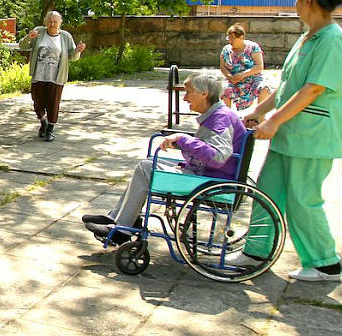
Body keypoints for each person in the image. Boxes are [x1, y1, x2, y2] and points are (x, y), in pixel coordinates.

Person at [234, 0, 342, 282]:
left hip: (312, 136)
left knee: (303, 199)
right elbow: (288, 87)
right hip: (289, 135)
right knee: (267, 191)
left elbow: (313, 89)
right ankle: (256, 252)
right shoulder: (308, 37)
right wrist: (260, 111)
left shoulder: (332, 39)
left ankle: (325, 263)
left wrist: (274, 120)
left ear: (308, 0)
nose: (295, 3)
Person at [81, 71, 246, 242]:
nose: (184, 98)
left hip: (213, 181)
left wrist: (183, 139)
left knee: (147, 168)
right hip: (208, 174)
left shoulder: (221, 118)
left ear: (204, 94)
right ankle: (118, 218)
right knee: (148, 163)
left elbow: (218, 157)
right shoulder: (217, 115)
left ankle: (122, 228)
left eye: (188, 92)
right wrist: (185, 152)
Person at [20, 11, 86, 142]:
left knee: (53, 104)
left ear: (59, 23)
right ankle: (43, 122)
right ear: (45, 22)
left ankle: (50, 129)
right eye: (49, 21)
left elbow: (72, 56)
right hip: (38, 75)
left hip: (56, 76)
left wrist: (78, 51)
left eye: (55, 21)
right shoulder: (38, 31)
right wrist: (29, 38)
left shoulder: (66, 36)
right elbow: (22, 45)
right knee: (37, 103)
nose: (52, 24)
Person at [220, 24, 272, 110]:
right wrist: (230, 77)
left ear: (241, 37)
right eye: (228, 38)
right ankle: (227, 119)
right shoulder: (226, 49)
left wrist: (243, 74)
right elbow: (222, 67)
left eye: (232, 38)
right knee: (224, 89)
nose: (230, 41)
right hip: (234, 80)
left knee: (264, 88)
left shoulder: (253, 47)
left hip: (252, 78)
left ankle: (259, 118)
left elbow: (259, 66)